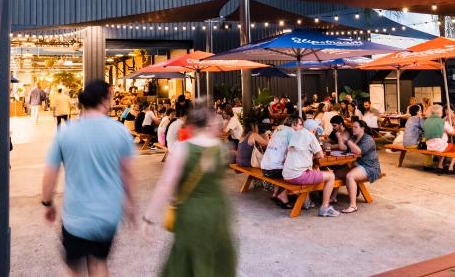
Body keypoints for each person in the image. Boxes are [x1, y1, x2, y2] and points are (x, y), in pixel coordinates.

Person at [41, 80, 135, 277]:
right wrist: (130, 205)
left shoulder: (65, 131)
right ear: (105, 101)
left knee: (73, 268)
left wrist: (47, 202)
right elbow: (127, 174)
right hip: (107, 216)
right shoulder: (120, 131)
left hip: (76, 216)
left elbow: (50, 171)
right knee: (99, 263)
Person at [143, 105, 237, 277]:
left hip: (191, 211)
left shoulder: (182, 149)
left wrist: (148, 218)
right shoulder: (221, 149)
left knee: (187, 259)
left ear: (191, 126)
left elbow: (165, 185)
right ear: (208, 125)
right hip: (218, 211)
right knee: (214, 257)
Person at [282, 118, 339, 217]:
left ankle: (308, 200)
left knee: (314, 171)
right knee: (331, 176)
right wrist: (313, 155)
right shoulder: (310, 135)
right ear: (314, 129)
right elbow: (320, 155)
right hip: (298, 176)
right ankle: (325, 207)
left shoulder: (296, 134)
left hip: (286, 174)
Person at [340, 120, 381, 214]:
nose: (353, 129)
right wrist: (340, 138)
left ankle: (353, 206)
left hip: (369, 167)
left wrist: (347, 140)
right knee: (336, 172)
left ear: (362, 128)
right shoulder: (354, 138)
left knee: (350, 176)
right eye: (352, 127)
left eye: (355, 127)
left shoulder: (368, 139)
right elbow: (344, 148)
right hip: (357, 165)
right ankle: (333, 197)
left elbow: (358, 151)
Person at [259, 117, 296, 207]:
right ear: (294, 124)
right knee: (296, 172)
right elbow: (293, 150)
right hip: (273, 170)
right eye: (300, 124)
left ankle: (275, 193)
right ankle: (283, 197)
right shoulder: (291, 131)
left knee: (282, 166)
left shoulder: (279, 128)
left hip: (264, 168)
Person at [422, 104, 455, 170]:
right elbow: (453, 133)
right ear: (439, 112)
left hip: (429, 146)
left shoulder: (426, 121)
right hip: (439, 147)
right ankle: (451, 167)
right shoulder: (442, 122)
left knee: (444, 145)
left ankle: (440, 165)